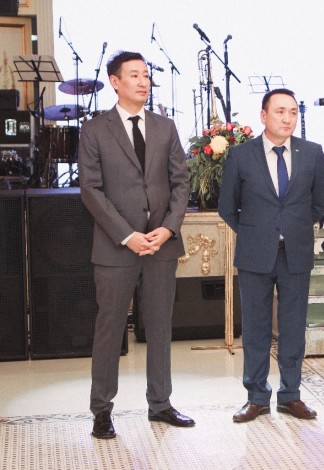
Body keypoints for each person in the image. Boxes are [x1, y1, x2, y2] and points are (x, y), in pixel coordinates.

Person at [79, 51, 193, 439]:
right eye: (134, 75)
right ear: (115, 82)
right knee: (110, 329)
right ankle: (101, 410)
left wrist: (168, 228)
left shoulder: (165, 127)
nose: (143, 81)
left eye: (146, 75)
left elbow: (181, 183)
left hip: (161, 245)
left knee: (160, 327)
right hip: (116, 247)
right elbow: (91, 190)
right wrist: (127, 235)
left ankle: (160, 404)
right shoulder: (95, 129)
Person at [219, 88, 324, 423]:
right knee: (256, 329)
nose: (287, 118)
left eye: (293, 112)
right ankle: (256, 397)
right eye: (280, 111)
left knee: (293, 327)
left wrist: (291, 228)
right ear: (263, 115)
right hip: (255, 253)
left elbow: (319, 203)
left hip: (295, 252)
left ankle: (290, 395)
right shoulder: (241, 155)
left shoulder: (312, 153)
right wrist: (257, 231)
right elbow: (227, 207)